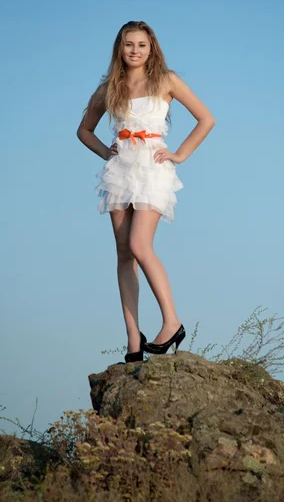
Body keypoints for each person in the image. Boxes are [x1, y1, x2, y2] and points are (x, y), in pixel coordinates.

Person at [77, 20, 215, 363]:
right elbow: (84, 130)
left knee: (140, 245)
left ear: (151, 47)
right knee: (124, 253)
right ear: (119, 49)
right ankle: (132, 339)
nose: (135, 50)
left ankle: (172, 322)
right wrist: (105, 151)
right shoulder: (110, 87)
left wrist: (179, 154)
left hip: (153, 168)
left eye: (141, 44)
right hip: (120, 169)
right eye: (128, 45)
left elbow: (206, 119)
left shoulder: (166, 79)